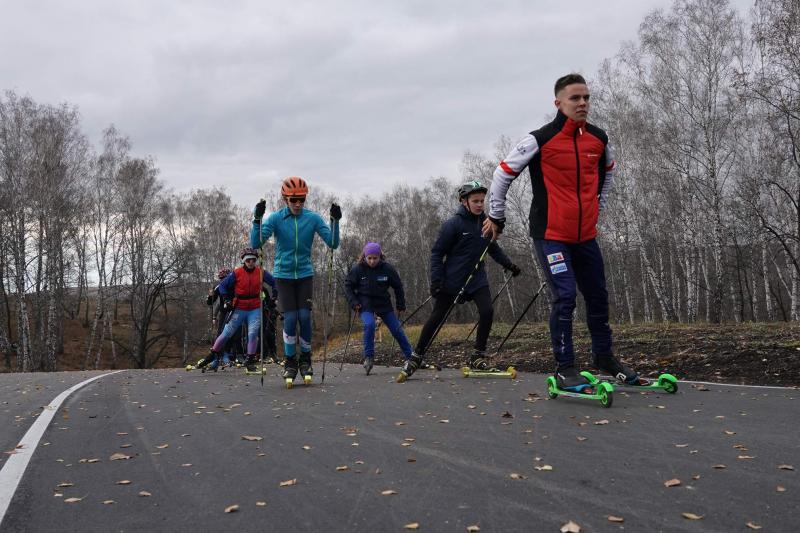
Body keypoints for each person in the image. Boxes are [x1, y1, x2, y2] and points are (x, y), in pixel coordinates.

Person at [483, 73, 644, 392]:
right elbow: (502, 175)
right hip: (551, 234)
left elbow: (608, 172)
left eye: (586, 97)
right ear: (558, 103)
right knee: (566, 295)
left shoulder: (598, 138)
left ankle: (604, 358)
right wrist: (496, 217)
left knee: (598, 295)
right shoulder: (538, 139)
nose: (583, 103)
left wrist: (600, 205)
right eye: (575, 98)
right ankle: (565, 367)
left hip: (585, 235)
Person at [400, 180, 521, 380]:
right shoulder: (453, 225)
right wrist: (436, 281)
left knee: (487, 311)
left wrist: (508, 265)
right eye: (476, 201)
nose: (480, 205)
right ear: (464, 201)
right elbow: (437, 253)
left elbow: (492, 247)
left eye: (482, 201)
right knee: (437, 317)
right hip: (452, 281)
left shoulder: (486, 223)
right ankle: (417, 355)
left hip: (476, 280)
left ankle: (477, 356)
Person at [250, 176, 341, 383]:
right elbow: (256, 242)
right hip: (283, 276)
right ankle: (290, 361)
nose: (298, 204)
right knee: (290, 319)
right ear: (285, 199)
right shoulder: (275, 219)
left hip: (305, 274)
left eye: (302, 199)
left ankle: (305, 359)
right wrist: (257, 220)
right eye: (293, 200)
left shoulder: (313, 218)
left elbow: (333, 243)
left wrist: (335, 221)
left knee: (305, 317)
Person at [200, 248, 277, 373]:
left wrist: (274, 295)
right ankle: (213, 354)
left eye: (253, 260)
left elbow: (274, 282)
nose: (251, 262)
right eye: (248, 260)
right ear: (244, 261)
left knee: (253, 333)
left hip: (255, 308)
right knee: (226, 333)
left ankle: (250, 360)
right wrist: (226, 300)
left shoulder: (261, 272)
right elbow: (223, 286)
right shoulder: (237, 273)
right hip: (239, 307)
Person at [344, 242, 415, 375]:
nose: (372, 261)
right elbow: (348, 287)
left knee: (396, 329)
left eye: (375, 258)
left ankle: (411, 357)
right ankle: (369, 357)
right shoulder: (358, 269)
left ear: (380, 257)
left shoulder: (387, 269)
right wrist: (354, 302)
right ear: (364, 256)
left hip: (383, 303)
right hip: (365, 303)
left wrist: (401, 305)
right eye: (369, 258)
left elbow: (398, 286)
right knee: (370, 325)